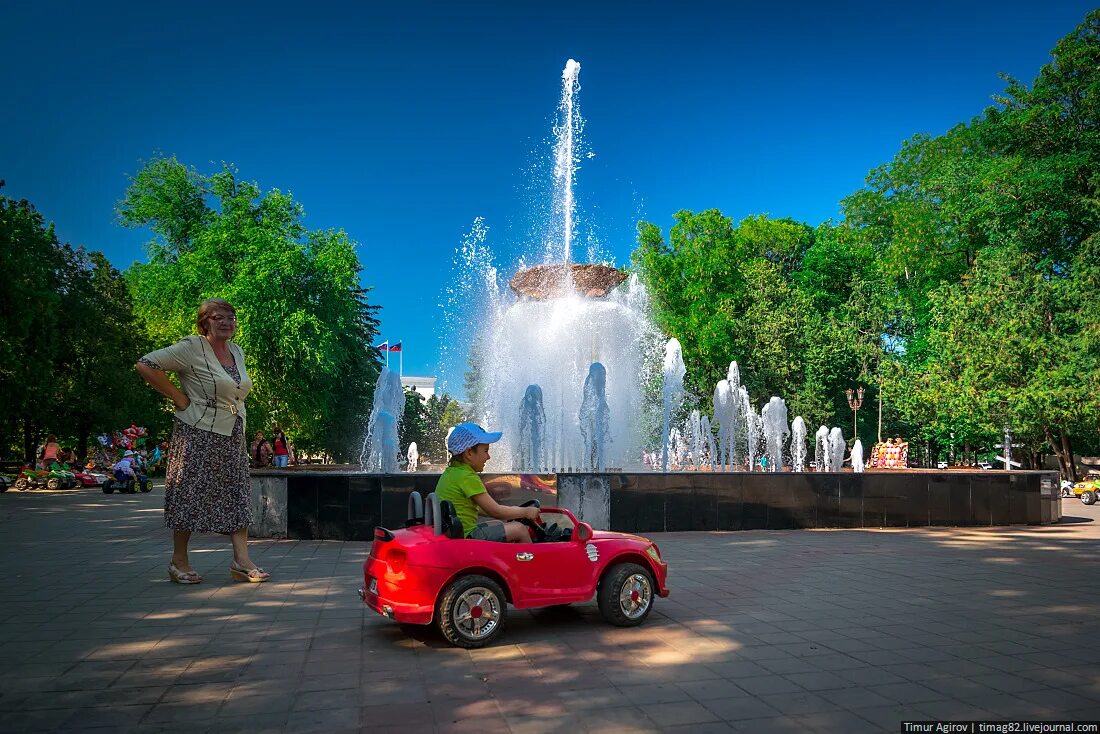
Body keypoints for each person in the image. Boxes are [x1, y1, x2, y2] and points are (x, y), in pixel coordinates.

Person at [136, 297, 269, 585]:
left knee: (237, 494)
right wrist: (178, 397)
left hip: (233, 432)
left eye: (230, 317)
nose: (226, 322)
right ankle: (178, 561)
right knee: (189, 492)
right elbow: (147, 364)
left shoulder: (236, 351)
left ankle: (241, 561)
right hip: (196, 431)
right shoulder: (191, 347)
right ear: (204, 321)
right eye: (218, 317)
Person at [434, 422, 539, 542]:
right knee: (519, 529)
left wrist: (512, 513)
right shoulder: (467, 477)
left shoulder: (452, 472)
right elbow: (496, 511)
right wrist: (526, 512)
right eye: (485, 451)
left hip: (454, 533)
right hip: (466, 537)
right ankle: (527, 559)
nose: (488, 457)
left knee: (496, 523)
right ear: (469, 453)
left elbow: (474, 509)